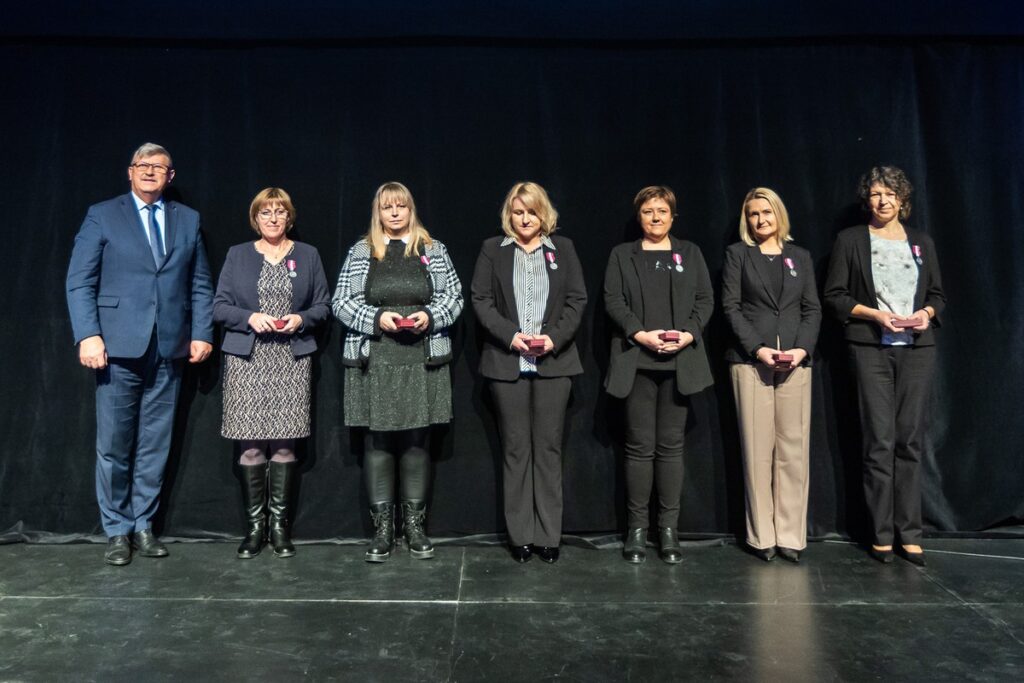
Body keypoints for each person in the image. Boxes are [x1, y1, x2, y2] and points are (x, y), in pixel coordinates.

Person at [66, 142, 214, 566]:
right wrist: (88, 335)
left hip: (170, 345)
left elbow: (199, 283)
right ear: (130, 171)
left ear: (171, 176)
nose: (150, 171)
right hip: (116, 346)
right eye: (142, 165)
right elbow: (79, 281)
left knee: (155, 442)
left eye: (159, 167)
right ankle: (117, 529)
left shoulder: (187, 219)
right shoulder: (103, 214)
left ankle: (143, 524)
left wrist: (201, 332)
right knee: (114, 444)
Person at [332, 182, 463, 562]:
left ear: (410, 210)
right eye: (387, 207)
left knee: (417, 440)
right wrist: (376, 318)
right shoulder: (362, 250)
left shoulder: (432, 249)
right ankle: (383, 530)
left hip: (421, 357)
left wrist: (430, 315)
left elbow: (454, 297)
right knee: (378, 441)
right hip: (375, 358)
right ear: (378, 212)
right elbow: (341, 301)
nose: (394, 213)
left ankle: (415, 527)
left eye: (400, 206)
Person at [824, 166, 946, 566]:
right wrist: (875, 315)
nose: (884, 200)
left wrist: (926, 313)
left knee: (909, 441)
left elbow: (937, 295)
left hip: (917, 350)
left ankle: (909, 534)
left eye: (891, 194)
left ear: (902, 199)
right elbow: (835, 296)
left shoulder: (921, 242)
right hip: (870, 348)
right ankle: (880, 534)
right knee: (879, 442)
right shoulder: (851, 240)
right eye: (877, 193)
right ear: (867, 199)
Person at [471, 182, 588, 564]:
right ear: (509, 214)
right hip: (508, 363)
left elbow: (576, 299)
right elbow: (481, 300)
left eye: (532, 212)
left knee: (549, 450)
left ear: (544, 214)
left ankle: (548, 536)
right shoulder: (493, 249)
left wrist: (553, 339)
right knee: (516, 449)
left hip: (554, 363)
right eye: (518, 212)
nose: (525, 219)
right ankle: (520, 536)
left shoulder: (562, 249)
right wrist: (511, 336)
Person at [213, 188, 331, 559]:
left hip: (290, 358)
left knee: (283, 445)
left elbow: (323, 306)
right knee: (250, 444)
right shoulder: (238, 255)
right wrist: (250, 317)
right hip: (247, 360)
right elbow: (219, 307)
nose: (274, 218)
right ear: (255, 218)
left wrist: (301, 319)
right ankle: (254, 529)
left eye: (280, 212)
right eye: (266, 213)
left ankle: (279, 528)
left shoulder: (308, 255)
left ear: (289, 218)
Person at [603, 185, 714, 564]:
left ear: (672, 216)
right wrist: (639, 334)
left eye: (662, 211)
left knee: (670, 447)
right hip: (637, 360)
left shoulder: (690, 253)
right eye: (648, 211)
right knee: (639, 447)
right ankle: (636, 530)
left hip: (679, 361)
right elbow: (613, 300)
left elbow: (705, 300)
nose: (655, 217)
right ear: (639, 217)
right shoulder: (622, 255)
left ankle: (668, 530)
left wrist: (688, 334)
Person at [722, 187, 821, 563]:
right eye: (753, 214)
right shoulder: (737, 255)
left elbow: (812, 309)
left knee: (793, 451)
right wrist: (758, 349)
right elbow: (731, 307)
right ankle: (762, 535)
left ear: (779, 214)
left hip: (796, 362)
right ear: (746, 220)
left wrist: (801, 350)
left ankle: (791, 536)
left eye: (766, 212)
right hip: (751, 362)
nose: (760, 219)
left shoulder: (800, 257)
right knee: (757, 450)